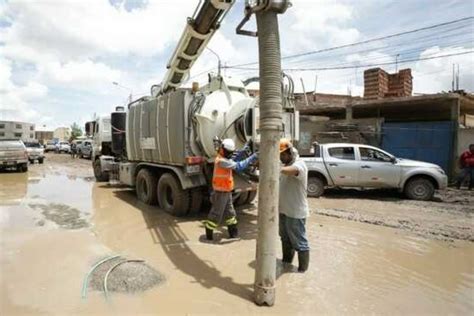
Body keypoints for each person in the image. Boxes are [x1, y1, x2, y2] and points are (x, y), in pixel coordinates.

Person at [203, 138, 258, 241]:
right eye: (229, 153)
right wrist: (252, 157)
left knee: (230, 212)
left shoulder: (224, 157)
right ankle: (209, 234)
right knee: (216, 214)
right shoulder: (221, 161)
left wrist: (243, 150)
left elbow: (233, 159)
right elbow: (238, 166)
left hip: (226, 190)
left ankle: (233, 233)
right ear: (223, 150)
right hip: (220, 192)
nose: (230, 154)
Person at [278, 139, 310, 272]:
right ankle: (286, 264)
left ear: (290, 152)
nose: (281, 157)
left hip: (296, 212)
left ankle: (302, 271)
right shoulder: (284, 165)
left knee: (300, 243)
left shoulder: (299, 164)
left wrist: (275, 168)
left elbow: (293, 170)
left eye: (283, 155)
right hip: (284, 210)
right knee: (285, 239)